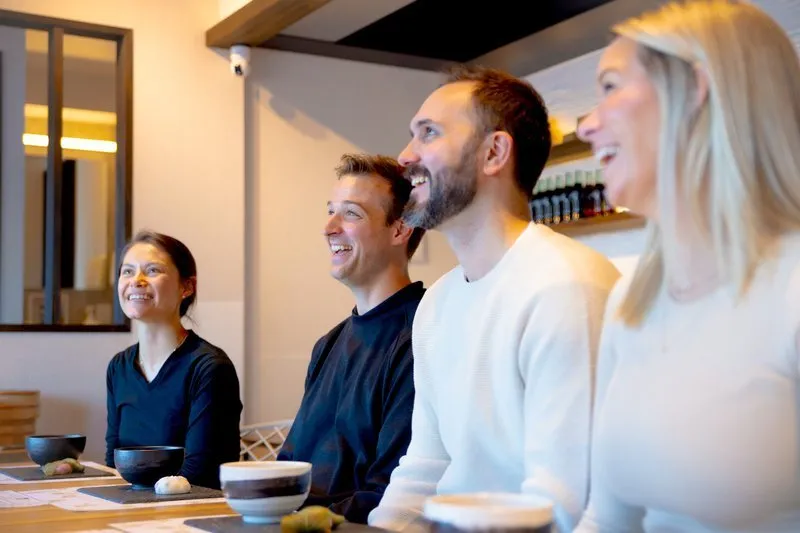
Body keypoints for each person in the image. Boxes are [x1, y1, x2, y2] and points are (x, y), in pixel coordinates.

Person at [573, 1, 800, 531]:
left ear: (694, 89)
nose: (587, 126)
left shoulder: (791, 288)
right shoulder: (632, 302)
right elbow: (608, 519)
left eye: (610, 88)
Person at [368, 65, 620, 532]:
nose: (404, 156)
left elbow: (565, 503)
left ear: (494, 153)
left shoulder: (566, 287)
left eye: (428, 133)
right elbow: (424, 468)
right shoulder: (436, 304)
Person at [277, 153, 427, 524]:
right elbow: (289, 468)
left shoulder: (424, 335)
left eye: (351, 214)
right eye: (331, 211)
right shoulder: (328, 344)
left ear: (400, 229)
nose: (329, 227)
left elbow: (388, 492)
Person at [105, 230, 242, 489]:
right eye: (128, 271)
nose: (137, 281)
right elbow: (115, 462)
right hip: (132, 504)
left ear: (186, 287)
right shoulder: (118, 367)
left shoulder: (209, 367)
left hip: (192, 507)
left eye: (152, 270)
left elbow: (199, 473)